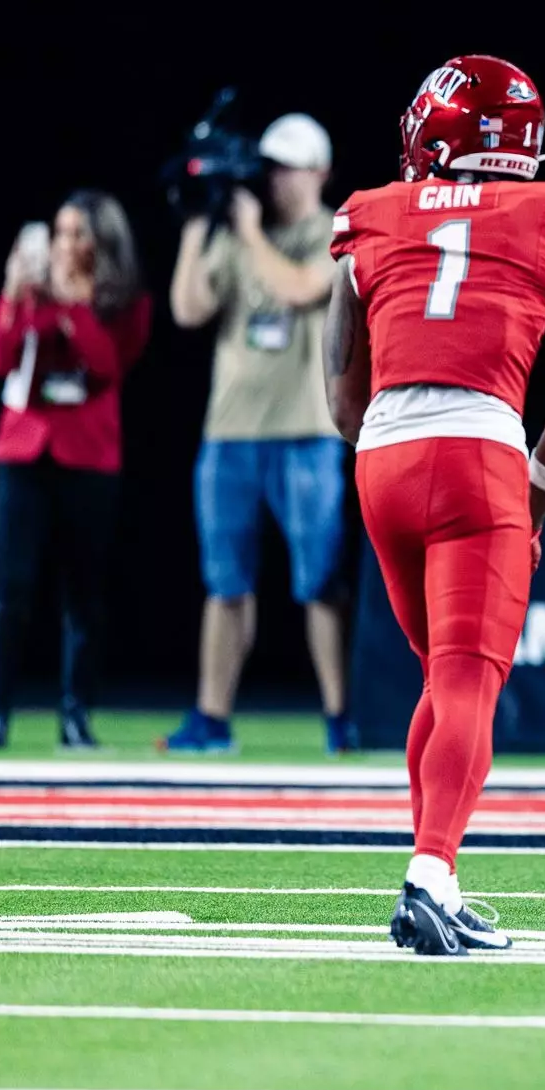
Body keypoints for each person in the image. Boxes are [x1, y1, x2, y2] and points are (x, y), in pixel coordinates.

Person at [327, 55, 545, 956]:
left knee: (439, 680)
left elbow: (340, 390)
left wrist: (387, 455)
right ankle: (430, 873)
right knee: (464, 679)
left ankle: (434, 872)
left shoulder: (368, 215)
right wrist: (532, 506)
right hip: (480, 452)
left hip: (382, 456)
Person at [163, 113, 354, 754]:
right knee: (225, 582)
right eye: (270, 168)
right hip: (231, 432)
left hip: (307, 430)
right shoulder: (237, 232)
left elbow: (299, 289)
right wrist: (199, 224)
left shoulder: (334, 231)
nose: (277, 181)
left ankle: (339, 715)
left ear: (319, 170)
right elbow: (188, 308)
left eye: (290, 167)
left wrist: (247, 233)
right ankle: (211, 717)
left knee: (320, 582)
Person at [0, 192, 151, 748]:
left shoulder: (124, 301)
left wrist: (75, 307)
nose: (65, 245)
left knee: (83, 591)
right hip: (23, 452)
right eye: (59, 233)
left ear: (102, 242)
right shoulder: (30, 291)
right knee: (12, 589)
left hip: (89, 455)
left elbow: (108, 367)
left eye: (77, 234)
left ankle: (76, 712)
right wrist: (13, 296)